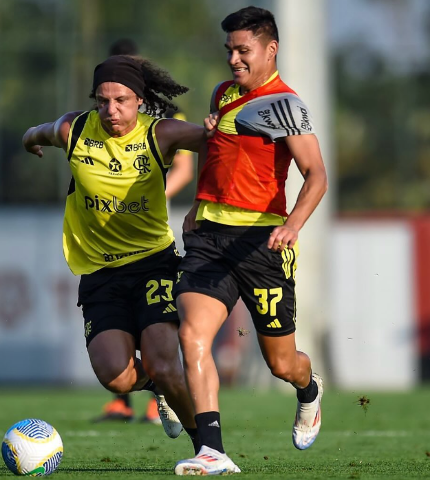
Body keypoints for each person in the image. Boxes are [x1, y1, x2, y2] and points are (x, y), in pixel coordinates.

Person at [173, 6, 328, 475]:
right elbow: (220, 155)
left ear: (270, 49)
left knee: (282, 364)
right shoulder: (224, 93)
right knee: (191, 333)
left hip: (263, 244)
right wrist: (199, 205)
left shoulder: (287, 103)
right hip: (211, 239)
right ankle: (212, 450)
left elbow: (316, 175)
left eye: (244, 50)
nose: (234, 59)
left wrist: (293, 224)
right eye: (230, 51)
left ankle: (309, 390)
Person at [22, 54, 203, 454]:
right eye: (102, 100)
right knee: (116, 378)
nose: (111, 110)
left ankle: (206, 447)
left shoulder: (162, 134)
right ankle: (162, 387)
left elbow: (219, 144)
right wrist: (30, 142)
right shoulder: (74, 129)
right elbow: (36, 132)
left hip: (153, 262)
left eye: (120, 100)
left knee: (162, 360)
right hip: (100, 272)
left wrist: (203, 204)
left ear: (139, 100)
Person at [95, 40, 194, 425]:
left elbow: (186, 168)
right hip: (105, 250)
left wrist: (147, 196)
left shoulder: (168, 118)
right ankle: (135, 397)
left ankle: (168, 401)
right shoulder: (100, 117)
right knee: (117, 348)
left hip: (149, 235)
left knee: (155, 335)